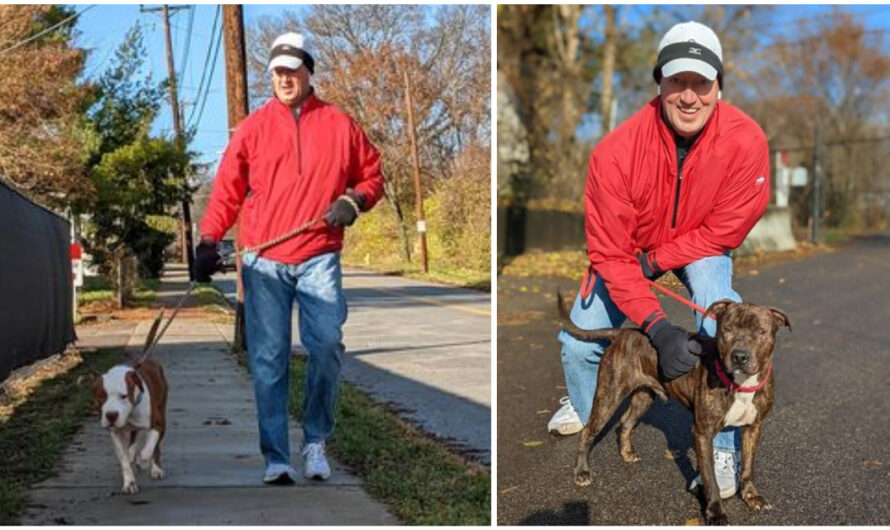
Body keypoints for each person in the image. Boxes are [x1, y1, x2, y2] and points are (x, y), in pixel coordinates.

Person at [548, 21, 770, 499]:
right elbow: (609, 251)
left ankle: (725, 444)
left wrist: (659, 261)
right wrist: (657, 326)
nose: (689, 97)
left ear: (718, 87)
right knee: (577, 342)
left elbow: (724, 231)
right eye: (677, 82)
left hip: (699, 246)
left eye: (701, 84)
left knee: (719, 314)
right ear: (659, 83)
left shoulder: (747, 141)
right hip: (629, 254)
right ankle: (588, 409)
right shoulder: (615, 152)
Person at [195, 32, 384, 484]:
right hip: (263, 260)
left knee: (326, 346)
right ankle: (276, 457)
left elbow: (373, 175)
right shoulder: (253, 129)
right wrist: (208, 240)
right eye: (277, 71)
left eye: (291, 70)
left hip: (319, 254)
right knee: (268, 358)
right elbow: (227, 191)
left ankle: (315, 441)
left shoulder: (340, 124)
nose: (284, 78)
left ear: (307, 71)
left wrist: (354, 200)